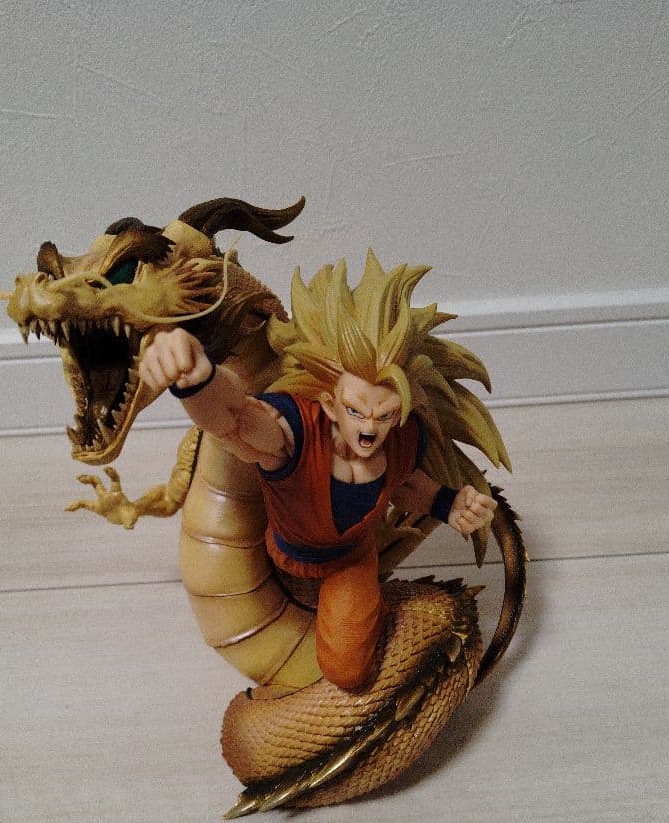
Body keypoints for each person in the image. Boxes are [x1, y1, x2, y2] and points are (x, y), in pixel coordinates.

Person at [140, 255, 498, 690]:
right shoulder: (296, 433)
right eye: (356, 411)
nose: (370, 430)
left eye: (384, 415)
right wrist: (198, 380)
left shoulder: (402, 439)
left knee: (348, 671)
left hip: (349, 559)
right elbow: (235, 419)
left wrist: (449, 503)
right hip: (278, 553)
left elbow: (406, 485)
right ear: (329, 404)